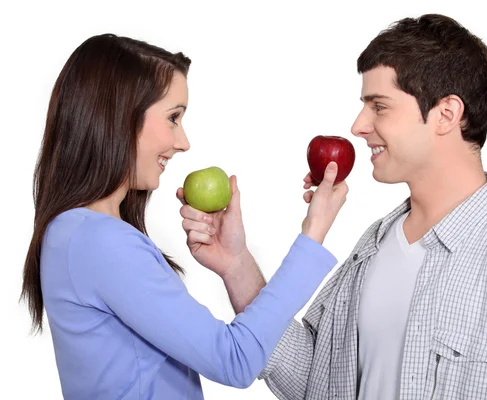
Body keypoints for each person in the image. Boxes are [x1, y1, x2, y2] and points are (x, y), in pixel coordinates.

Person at [256, 14, 487, 399]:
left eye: (379, 107)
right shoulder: (374, 245)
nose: (358, 126)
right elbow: (317, 384)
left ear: (446, 114)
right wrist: (234, 263)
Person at [21, 33, 348, 399]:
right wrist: (313, 232)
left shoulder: (72, 232)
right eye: (173, 118)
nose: (183, 142)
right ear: (120, 116)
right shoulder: (100, 240)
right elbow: (234, 360)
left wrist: (234, 262)